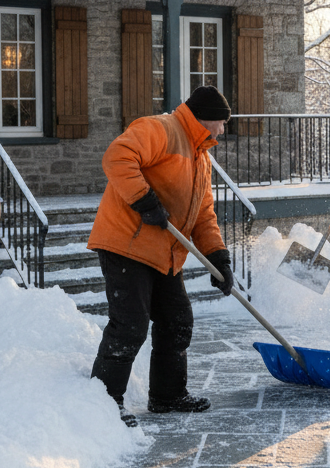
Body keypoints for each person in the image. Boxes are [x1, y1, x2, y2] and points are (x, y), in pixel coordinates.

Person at [87, 86, 235, 426]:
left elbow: (203, 215)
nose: (224, 130)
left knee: (177, 321)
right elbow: (117, 157)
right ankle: (102, 407)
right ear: (208, 119)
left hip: (164, 252)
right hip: (127, 245)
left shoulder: (201, 157)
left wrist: (218, 257)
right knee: (130, 326)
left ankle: (168, 396)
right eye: (222, 123)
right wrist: (144, 200)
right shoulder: (161, 128)